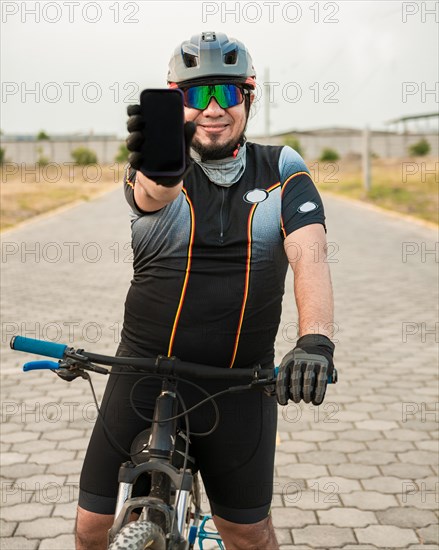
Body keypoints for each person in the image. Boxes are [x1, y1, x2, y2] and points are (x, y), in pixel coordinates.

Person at [75, 31, 335, 550]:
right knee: (92, 530)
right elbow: (154, 193)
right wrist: (161, 163)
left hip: (241, 381)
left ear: (250, 97)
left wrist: (315, 342)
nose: (214, 108)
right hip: (142, 371)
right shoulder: (152, 165)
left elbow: (310, 253)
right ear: (176, 102)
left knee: (249, 535)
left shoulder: (282, 167)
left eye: (227, 92)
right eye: (197, 95)